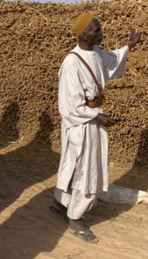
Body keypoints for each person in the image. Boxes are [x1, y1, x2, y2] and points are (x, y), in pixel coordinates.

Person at [52, 13, 141, 244]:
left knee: (76, 164)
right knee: (85, 168)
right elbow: (69, 105)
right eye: (97, 30)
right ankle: (76, 218)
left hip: (92, 119)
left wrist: (129, 46)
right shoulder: (71, 62)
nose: (102, 33)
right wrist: (97, 116)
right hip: (81, 124)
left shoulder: (96, 53)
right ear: (83, 34)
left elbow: (112, 61)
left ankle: (62, 203)